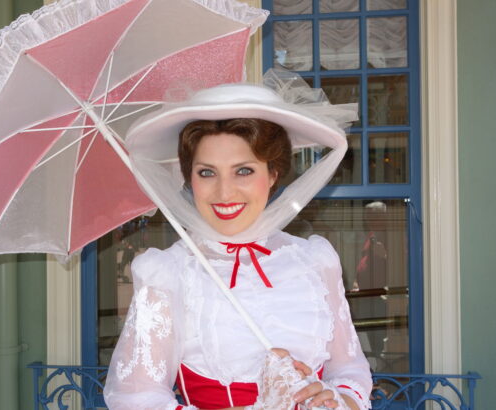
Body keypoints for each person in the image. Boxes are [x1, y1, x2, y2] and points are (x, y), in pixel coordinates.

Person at [104, 76, 372, 410]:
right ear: (189, 178)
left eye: (243, 171)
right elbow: (136, 397)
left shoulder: (314, 262)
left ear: (273, 174)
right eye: (207, 173)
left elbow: (349, 367)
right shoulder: (168, 273)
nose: (224, 192)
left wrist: (340, 397)